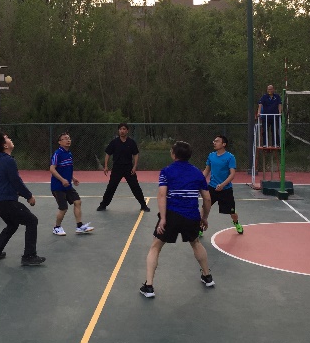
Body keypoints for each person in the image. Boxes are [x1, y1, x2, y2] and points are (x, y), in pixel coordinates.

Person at [140, 141, 214, 298]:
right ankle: (207, 276)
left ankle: (149, 286)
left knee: (155, 247)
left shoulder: (166, 171)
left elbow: (162, 195)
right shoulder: (197, 173)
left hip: (172, 215)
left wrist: (163, 219)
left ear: (174, 154)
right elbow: (207, 199)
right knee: (196, 243)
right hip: (191, 216)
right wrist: (204, 218)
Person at [0, 132, 45, 266]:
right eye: (7, 138)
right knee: (32, 221)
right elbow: (16, 181)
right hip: (5, 201)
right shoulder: (8, 161)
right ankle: (29, 256)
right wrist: (29, 196)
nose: (10, 139)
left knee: (12, 225)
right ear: (5, 145)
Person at [97, 123, 150, 212]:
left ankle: (143, 205)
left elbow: (136, 154)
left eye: (124, 129)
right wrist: (105, 166)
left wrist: (135, 166)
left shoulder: (131, 142)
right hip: (117, 168)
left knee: (135, 187)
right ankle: (103, 205)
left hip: (129, 168)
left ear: (127, 131)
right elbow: (108, 154)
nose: (122, 131)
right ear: (118, 131)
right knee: (111, 187)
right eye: (120, 129)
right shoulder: (114, 142)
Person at [50, 132, 94, 236]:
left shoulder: (69, 154)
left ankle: (79, 226)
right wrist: (62, 180)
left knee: (77, 202)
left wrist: (73, 178)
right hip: (58, 187)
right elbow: (52, 169)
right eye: (65, 139)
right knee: (63, 208)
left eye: (69, 138)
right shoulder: (57, 154)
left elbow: (67, 169)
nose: (68, 140)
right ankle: (56, 228)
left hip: (68, 186)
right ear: (60, 142)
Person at [203, 135, 243, 235]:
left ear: (224, 144)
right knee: (204, 208)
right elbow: (207, 170)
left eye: (217, 141)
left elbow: (232, 174)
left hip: (226, 189)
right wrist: (200, 180)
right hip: (212, 188)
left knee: (232, 212)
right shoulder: (211, 155)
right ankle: (200, 227)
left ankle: (236, 223)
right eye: (214, 141)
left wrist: (222, 185)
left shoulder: (230, 157)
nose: (214, 142)